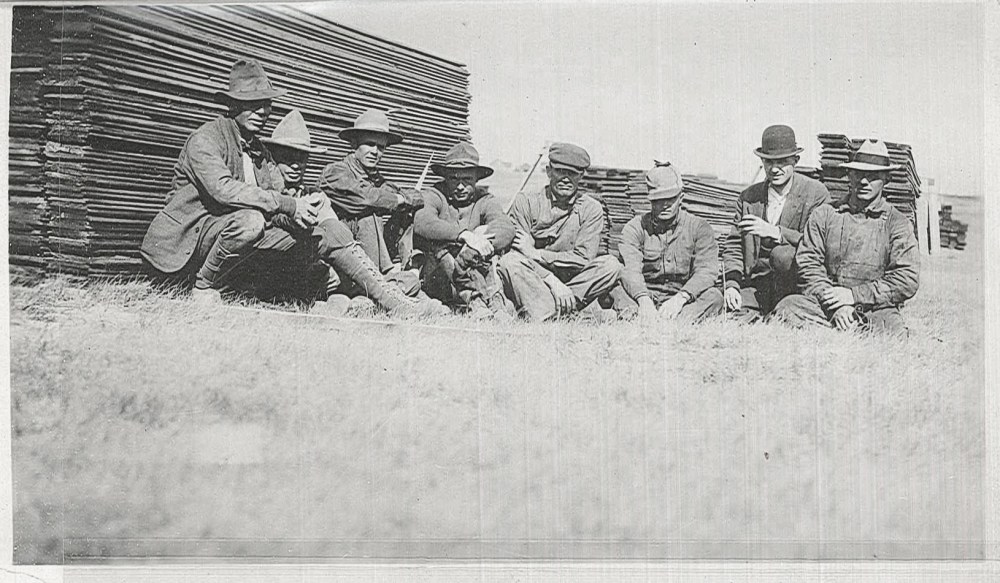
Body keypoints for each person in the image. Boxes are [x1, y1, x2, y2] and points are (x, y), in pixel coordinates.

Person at [140, 62, 439, 317]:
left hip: (237, 240)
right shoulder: (206, 139)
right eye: (252, 103)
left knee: (326, 230)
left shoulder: (258, 151)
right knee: (251, 220)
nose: (262, 111)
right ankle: (203, 287)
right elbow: (224, 191)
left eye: (266, 103)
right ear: (232, 105)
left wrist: (300, 216)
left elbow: (279, 205)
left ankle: (390, 299)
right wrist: (287, 206)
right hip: (190, 240)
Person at [771, 139, 919, 335]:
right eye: (858, 174)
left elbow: (906, 278)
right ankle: (847, 329)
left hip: (874, 307)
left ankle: (850, 329)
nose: (864, 181)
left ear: (887, 179)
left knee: (892, 331)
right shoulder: (825, 214)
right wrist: (835, 305)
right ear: (849, 175)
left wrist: (853, 296)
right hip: (826, 303)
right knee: (787, 309)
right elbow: (808, 263)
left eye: (873, 176)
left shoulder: (898, 224)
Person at [498, 142, 621, 321]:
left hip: (572, 283)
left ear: (581, 176)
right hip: (535, 279)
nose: (566, 178)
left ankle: (547, 311)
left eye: (572, 173)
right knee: (509, 262)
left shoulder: (591, 208)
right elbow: (517, 253)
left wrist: (537, 253)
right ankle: (575, 314)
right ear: (549, 171)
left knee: (611, 265)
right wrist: (551, 280)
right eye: (560, 171)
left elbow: (583, 259)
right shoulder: (526, 202)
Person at [722, 125, 831, 320]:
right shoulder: (749, 197)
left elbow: (821, 246)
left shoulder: (816, 194)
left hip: (795, 285)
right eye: (768, 162)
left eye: (782, 162)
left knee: (782, 255)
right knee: (727, 312)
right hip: (757, 284)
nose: (774, 169)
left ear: (795, 161)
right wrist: (732, 284)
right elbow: (733, 245)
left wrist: (777, 233)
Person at [315, 108, 423, 297]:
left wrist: (407, 198)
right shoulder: (335, 172)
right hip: (339, 253)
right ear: (354, 144)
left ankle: (401, 272)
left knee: (407, 212)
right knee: (368, 213)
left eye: (381, 147)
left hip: (367, 253)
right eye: (370, 144)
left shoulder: (377, 180)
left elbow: (408, 195)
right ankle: (384, 281)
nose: (375, 152)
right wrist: (398, 199)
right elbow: (364, 198)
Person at [413, 142, 516, 317]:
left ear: (476, 179)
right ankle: (474, 301)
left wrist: (478, 245)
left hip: (474, 272)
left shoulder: (484, 199)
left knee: (487, 246)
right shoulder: (434, 194)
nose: (460, 186)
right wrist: (464, 235)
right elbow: (423, 221)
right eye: (454, 179)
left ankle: (494, 302)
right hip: (439, 278)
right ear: (445, 177)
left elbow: (505, 226)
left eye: (467, 180)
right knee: (441, 248)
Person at [611, 162, 723, 322]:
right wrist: (643, 300)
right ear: (649, 201)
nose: (664, 205)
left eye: (670, 199)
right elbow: (631, 269)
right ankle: (638, 316)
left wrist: (680, 299)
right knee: (615, 289)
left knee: (714, 296)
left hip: (683, 297)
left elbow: (706, 271)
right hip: (643, 294)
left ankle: (673, 321)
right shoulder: (635, 228)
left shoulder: (699, 228)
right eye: (658, 200)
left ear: (681, 198)